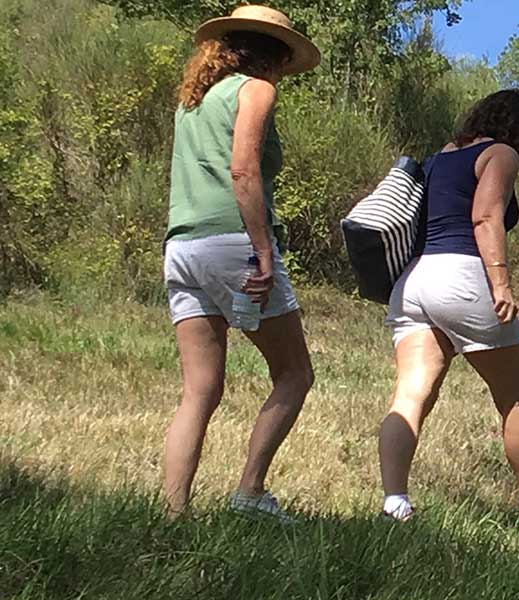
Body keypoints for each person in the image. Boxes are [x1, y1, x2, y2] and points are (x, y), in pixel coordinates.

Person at [375, 89, 519, 532]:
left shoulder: (439, 157)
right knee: (514, 399)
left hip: (414, 282)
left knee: (411, 396)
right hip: (463, 277)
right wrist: (501, 282)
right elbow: (485, 217)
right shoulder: (499, 154)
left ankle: (395, 504)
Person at [159, 5, 322, 522]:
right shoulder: (256, 90)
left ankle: (172, 514)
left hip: (181, 247)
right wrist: (265, 248)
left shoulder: (192, 101)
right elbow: (244, 169)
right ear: (275, 55)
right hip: (233, 242)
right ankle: (250, 492)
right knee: (294, 372)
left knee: (199, 390)